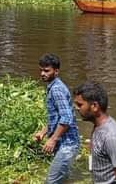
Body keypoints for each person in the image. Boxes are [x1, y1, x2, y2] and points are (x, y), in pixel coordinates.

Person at [32, 54, 80, 184]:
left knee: (51, 181)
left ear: (56, 71)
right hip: (64, 143)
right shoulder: (53, 86)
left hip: (67, 145)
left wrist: (52, 140)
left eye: (46, 71)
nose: (42, 73)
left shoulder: (56, 89)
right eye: (41, 70)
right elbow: (58, 117)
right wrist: (43, 132)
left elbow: (67, 118)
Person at [73, 82, 116, 184]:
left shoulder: (111, 137)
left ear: (94, 106)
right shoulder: (98, 126)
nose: (76, 108)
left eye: (80, 105)